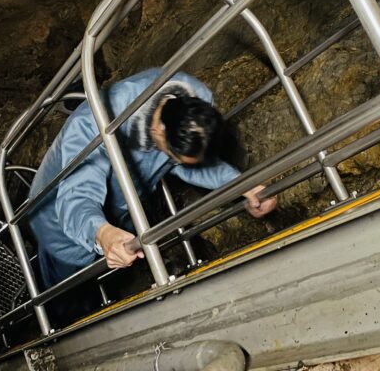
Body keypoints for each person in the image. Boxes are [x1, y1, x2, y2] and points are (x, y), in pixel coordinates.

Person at [27, 68, 276, 295]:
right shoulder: (93, 125)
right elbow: (77, 195)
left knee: (107, 263)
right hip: (61, 212)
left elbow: (192, 165)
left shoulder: (194, 106)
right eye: (172, 155)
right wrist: (102, 233)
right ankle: (56, 320)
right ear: (158, 132)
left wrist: (243, 184)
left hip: (122, 202)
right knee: (70, 281)